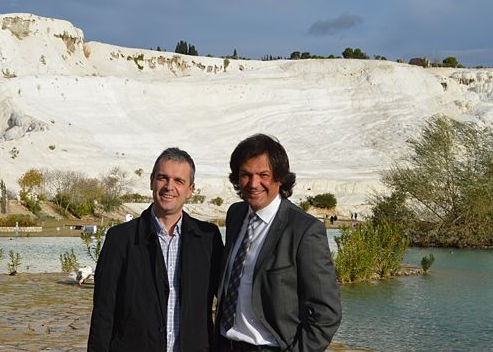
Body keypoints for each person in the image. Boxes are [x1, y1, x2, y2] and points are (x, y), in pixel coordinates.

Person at [88, 147, 224, 352]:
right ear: (152, 181)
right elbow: (103, 312)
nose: (169, 187)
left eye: (179, 181)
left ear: (190, 189)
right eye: (163, 178)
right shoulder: (120, 239)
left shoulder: (208, 238)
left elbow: (225, 299)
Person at [215, 134, 341, 352]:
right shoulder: (236, 214)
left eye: (263, 175)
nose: (254, 184)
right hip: (225, 344)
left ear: (280, 177)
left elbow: (326, 314)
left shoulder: (304, 230)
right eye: (246, 175)